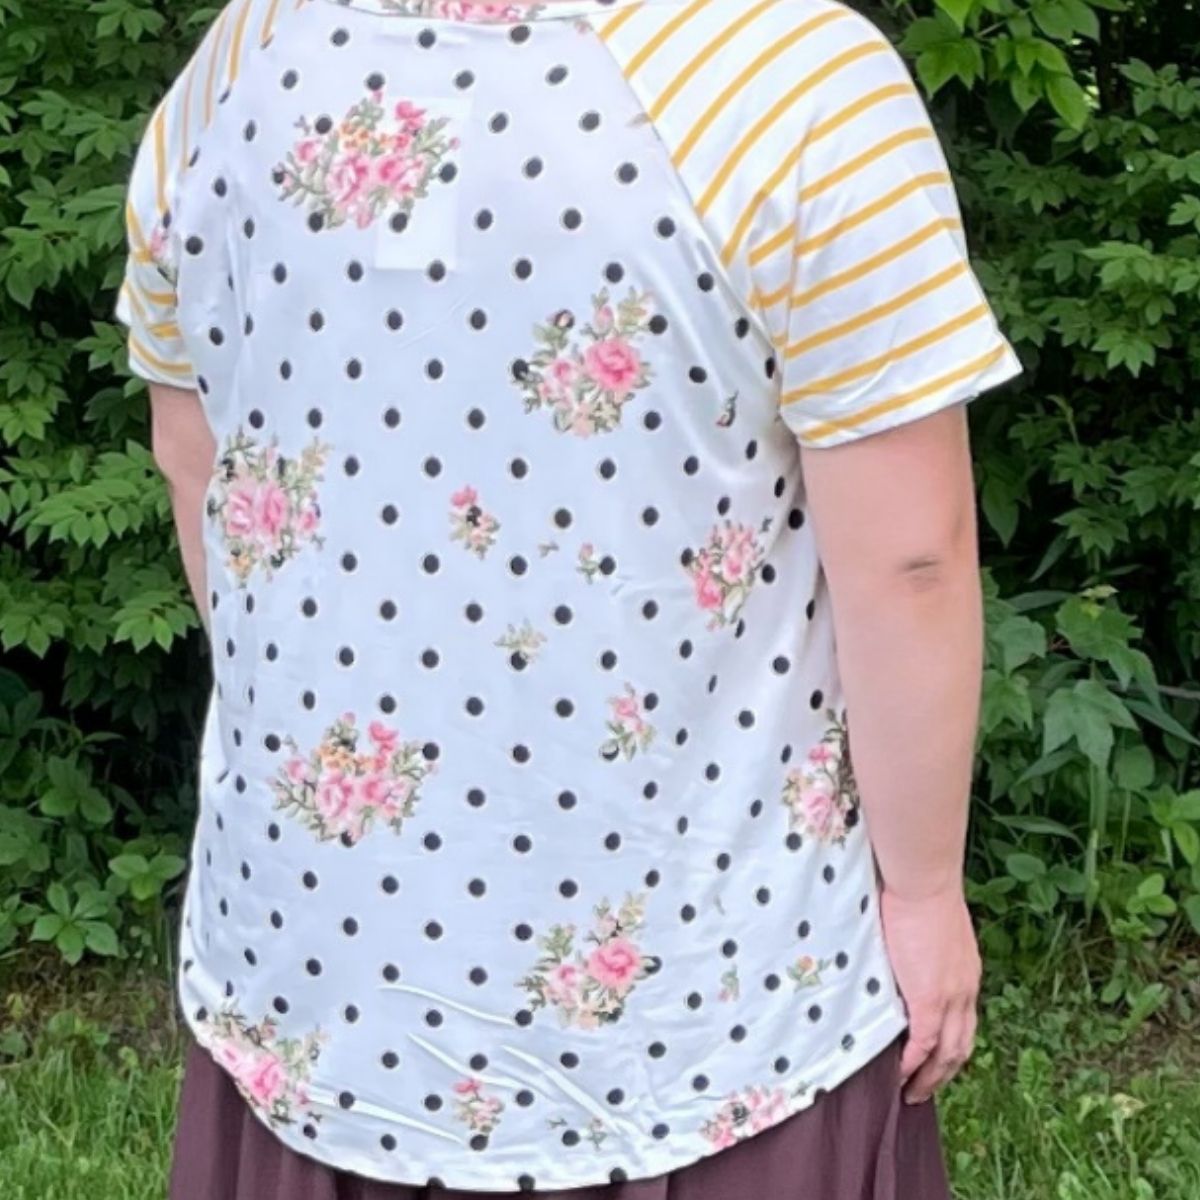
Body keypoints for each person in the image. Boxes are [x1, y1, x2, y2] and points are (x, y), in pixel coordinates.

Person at [115, 0, 1022, 1196]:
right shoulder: (796, 80)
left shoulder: (244, 57)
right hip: (702, 1007)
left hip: (318, 970)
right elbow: (909, 560)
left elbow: (200, 467)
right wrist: (923, 892)